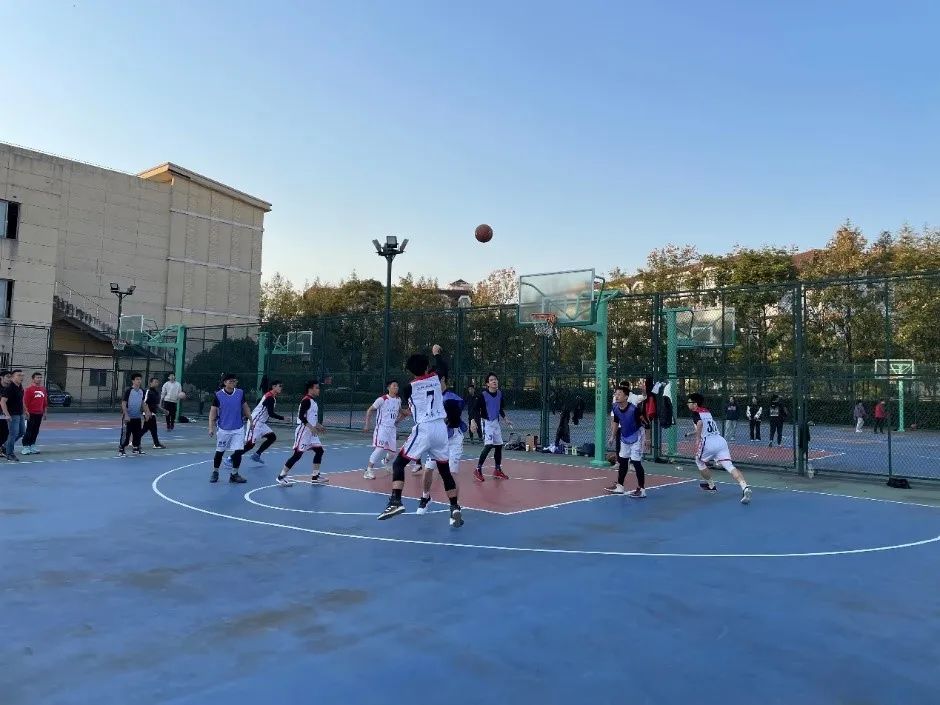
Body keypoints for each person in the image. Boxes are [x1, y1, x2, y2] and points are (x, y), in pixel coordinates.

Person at [377, 353, 463, 526]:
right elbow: (443, 367)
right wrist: (437, 354)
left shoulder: (408, 388)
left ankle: (395, 501)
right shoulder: (436, 378)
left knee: (398, 464)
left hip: (424, 428)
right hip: (441, 429)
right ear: (427, 367)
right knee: (445, 471)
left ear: (411, 371)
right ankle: (454, 507)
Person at [687, 393, 752, 504]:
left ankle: (711, 485)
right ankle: (745, 487)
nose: (687, 404)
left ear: (695, 404)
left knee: (699, 461)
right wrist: (692, 433)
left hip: (708, 442)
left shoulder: (695, 413)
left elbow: (700, 423)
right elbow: (705, 426)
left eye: (689, 402)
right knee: (730, 466)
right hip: (720, 441)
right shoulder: (706, 411)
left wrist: (697, 439)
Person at [416, 376, 467, 515]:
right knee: (428, 469)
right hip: (437, 440)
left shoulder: (452, 398)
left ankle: (454, 506)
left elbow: (454, 417)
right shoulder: (429, 398)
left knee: (452, 473)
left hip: (453, 438)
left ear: (443, 380)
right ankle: (425, 497)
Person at [275, 380, 329, 487]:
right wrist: (311, 427)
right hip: (303, 431)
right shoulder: (306, 400)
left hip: (311, 432)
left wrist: (319, 426)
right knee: (297, 455)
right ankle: (281, 477)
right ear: (310, 389)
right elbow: (301, 416)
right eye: (317, 388)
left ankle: (315, 477)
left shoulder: (313, 402)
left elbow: (312, 419)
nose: (319, 390)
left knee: (319, 451)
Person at [229, 379, 284, 467]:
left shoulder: (271, 396)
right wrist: (283, 418)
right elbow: (271, 413)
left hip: (261, 423)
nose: (281, 388)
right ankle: (230, 459)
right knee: (250, 445)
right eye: (279, 386)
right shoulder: (270, 397)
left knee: (272, 437)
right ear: (274, 387)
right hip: (255, 422)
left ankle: (257, 455)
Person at [207, 373, 251, 483]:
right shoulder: (218, 395)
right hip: (224, 428)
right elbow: (212, 412)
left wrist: (251, 419)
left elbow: (245, 406)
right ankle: (215, 472)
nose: (233, 383)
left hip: (238, 428)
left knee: (238, 451)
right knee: (220, 451)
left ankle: (234, 474)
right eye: (231, 381)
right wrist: (211, 428)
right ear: (225, 382)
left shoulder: (240, 393)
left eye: (235, 381)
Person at [605, 385, 647, 498]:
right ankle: (620, 486)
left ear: (626, 397)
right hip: (624, 436)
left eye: (619, 394)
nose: (616, 396)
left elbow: (646, 424)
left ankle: (642, 489)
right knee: (623, 461)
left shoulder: (634, 410)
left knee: (636, 462)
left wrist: (647, 439)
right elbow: (616, 422)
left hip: (637, 436)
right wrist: (612, 436)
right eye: (616, 394)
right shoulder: (615, 407)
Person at [471, 372, 513, 482]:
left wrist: (505, 419)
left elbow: (499, 408)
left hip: (496, 423)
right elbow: (475, 409)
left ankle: (497, 470)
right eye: (491, 380)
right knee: (489, 445)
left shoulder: (499, 394)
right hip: (487, 423)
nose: (494, 381)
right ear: (487, 384)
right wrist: (473, 421)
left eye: (495, 379)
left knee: (499, 446)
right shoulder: (483, 395)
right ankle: (478, 469)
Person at [363, 380, 401, 480]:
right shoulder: (382, 399)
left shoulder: (398, 400)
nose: (396, 388)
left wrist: (403, 415)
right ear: (388, 388)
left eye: (397, 386)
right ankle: (368, 471)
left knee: (393, 453)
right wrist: (367, 424)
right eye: (394, 386)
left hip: (392, 430)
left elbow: (400, 412)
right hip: (382, 428)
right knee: (379, 448)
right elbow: (369, 410)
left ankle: (385, 462)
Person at [119, 373, 151, 457]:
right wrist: (126, 415)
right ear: (133, 381)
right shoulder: (129, 391)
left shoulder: (142, 391)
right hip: (128, 417)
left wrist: (147, 412)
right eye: (137, 379)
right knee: (126, 434)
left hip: (137, 417)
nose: (139, 381)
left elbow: (143, 403)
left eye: (140, 379)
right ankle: (121, 449)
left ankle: (136, 448)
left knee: (137, 434)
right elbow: (123, 403)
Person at [1, 369, 26, 462]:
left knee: (22, 432)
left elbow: (21, 400)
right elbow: (2, 402)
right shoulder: (9, 388)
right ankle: (9, 454)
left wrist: (25, 410)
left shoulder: (20, 387)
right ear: (12, 377)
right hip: (12, 414)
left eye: (22, 375)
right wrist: (7, 414)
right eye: (19, 375)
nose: (21, 377)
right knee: (13, 434)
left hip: (20, 413)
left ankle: (5, 445)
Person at [22, 371, 48, 455]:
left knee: (36, 430)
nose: (39, 379)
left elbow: (45, 402)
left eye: (40, 377)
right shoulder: (29, 389)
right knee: (29, 430)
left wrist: (45, 413)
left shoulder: (43, 389)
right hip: (30, 413)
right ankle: (25, 446)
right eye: (37, 377)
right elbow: (25, 402)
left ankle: (32, 445)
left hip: (39, 413)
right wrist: (26, 412)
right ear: (33, 379)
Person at [142, 376, 166, 449]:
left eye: (157, 382)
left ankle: (156, 443)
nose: (156, 383)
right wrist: (147, 412)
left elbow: (157, 405)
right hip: (148, 413)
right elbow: (144, 402)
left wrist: (163, 410)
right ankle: (156, 444)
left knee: (149, 429)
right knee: (150, 429)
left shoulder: (156, 393)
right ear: (150, 383)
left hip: (153, 413)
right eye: (155, 382)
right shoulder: (148, 391)